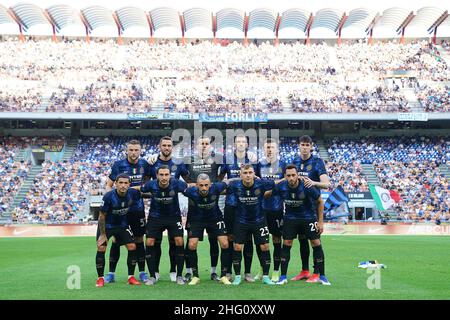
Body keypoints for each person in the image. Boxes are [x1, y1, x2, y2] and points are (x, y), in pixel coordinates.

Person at [267, 165, 330, 285]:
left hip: (308, 218)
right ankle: (283, 276)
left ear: (297, 175)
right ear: (285, 176)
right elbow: (269, 194)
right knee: (286, 243)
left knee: (316, 243)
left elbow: (320, 201)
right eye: (288, 175)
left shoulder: (306, 185)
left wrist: (320, 222)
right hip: (290, 219)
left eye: (293, 175)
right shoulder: (281, 186)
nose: (291, 178)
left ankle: (322, 276)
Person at [104, 140, 151, 284]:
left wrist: (139, 190)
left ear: (140, 151)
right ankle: (111, 273)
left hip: (137, 210)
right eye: (131, 150)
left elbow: (148, 185)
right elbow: (109, 185)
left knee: (138, 240)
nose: (133, 153)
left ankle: (142, 272)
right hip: (120, 211)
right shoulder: (119, 165)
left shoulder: (145, 165)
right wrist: (110, 201)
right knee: (116, 240)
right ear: (127, 151)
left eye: (136, 150)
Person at [148, 136, 190, 282]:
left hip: (174, 212)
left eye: (169, 145)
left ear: (172, 147)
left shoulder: (178, 163)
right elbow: (146, 183)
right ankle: (155, 272)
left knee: (176, 242)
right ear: (160, 146)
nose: (166, 148)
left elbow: (188, 182)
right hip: (155, 212)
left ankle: (174, 271)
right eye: (164, 145)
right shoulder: (152, 162)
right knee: (155, 243)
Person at [183, 135, 224, 282]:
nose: (205, 146)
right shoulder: (188, 161)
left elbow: (228, 170)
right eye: (202, 144)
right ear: (196, 146)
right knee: (191, 243)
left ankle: (213, 272)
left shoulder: (217, 159)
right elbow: (180, 175)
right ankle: (190, 272)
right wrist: (191, 184)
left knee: (214, 242)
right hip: (194, 211)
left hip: (212, 210)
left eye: (207, 143)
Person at [226, 164, 276, 285]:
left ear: (254, 174)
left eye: (250, 172)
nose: (248, 175)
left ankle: (265, 277)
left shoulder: (262, 184)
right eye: (245, 173)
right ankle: (238, 276)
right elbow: (226, 194)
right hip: (241, 221)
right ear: (240, 174)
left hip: (259, 220)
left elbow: (276, 184)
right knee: (237, 247)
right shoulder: (235, 186)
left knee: (265, 247)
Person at [291, 135, 331, 283]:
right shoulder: (294, 162)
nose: (305, 147)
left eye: (307, 145)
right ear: (299, 146)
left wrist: (312, 182)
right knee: (302, 240)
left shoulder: (317, 162)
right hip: (297, 208)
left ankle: (317, 272)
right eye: (302, 144)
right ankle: (305, 270)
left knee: (315, 241)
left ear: (311, 146)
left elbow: (326, 184)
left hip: (312, 209)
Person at [219, 134, 258, 282]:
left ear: (247, 144)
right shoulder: (227, 160)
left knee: (247, 240)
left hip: (248, 206)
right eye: (238, 142)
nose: (241, 144)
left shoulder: (253, 160)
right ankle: (228, 271)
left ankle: (247, 272)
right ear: (234, 144)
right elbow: (222, 179)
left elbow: (257, 179)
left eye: (243, 142)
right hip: (231, 205)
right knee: (230, 238)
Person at [182, 174, 234, 285]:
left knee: (225, 244)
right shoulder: (190, 191)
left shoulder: (217, 187)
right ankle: (195, 276)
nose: (204, 188)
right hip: (197, 220)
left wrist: (250, 178)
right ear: (196, 185)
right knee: (191, 245)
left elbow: (229, 181)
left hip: (215, 219)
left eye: (206, 185)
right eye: (201, 185)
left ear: (210, 185)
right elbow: (179, 187)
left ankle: (224, 275)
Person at [140, 165, 188, 285]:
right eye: (161, 175)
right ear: (157, 175)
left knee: (179, 241)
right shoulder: (150, 184)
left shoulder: (178, 184)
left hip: (173, 217)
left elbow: (189, 188)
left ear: (170, 175)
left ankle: (179, 275)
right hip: (155, 217)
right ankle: (152, 276)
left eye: (166, 174)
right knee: (149, 242)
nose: (164, 177)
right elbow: (140, 189)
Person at [95, 173, 141, 287]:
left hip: (122, 225)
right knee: (101, 247)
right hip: (107, 226)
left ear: (129, 184)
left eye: (126, 183)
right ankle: (100, 278)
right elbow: (101, 216)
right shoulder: (108, 197)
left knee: (132, 247)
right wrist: (102, 234)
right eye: (120, 183)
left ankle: (131, 277)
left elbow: (145, 193)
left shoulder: (133, 193)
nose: (123, 185)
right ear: (115, 184)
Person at [254, 138, 286, 282]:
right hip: (261, 209)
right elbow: (256, 183)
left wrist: (271, 189)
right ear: (264, 149)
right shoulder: (259, 165)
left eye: (272, 147)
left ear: (277, 149)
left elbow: (286, 182)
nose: (269, 150)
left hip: (277, 208)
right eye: (267, 147)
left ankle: (275, 270)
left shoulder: (283, 165)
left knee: (276, 239)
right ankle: (262, 269)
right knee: (261, 241)